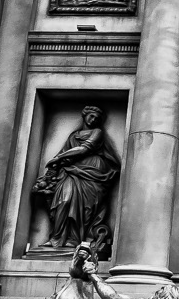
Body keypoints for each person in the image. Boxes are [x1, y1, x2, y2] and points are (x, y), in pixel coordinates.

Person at [31, 106, 122, 252]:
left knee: (84, 208)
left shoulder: (97, 132)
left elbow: (85, 148)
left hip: (92, 173)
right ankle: (57, 238)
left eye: (97, 119)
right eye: (91, 116)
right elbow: (63, 153)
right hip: (70, 172)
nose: (93, 120)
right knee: (63, 201)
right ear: (84, 116)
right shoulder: (74, 136)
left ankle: (74, 240)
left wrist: (59, 157)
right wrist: (53, 169)